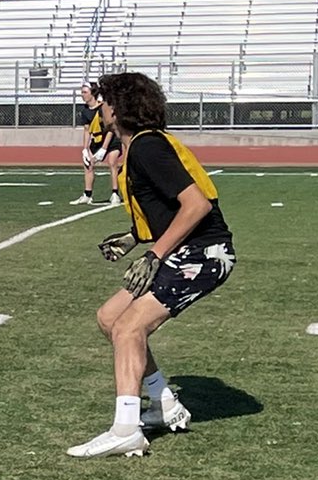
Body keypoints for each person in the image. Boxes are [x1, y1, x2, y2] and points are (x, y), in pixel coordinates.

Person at [69, 71, 230, 458]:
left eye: (105, 100)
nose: (100, 106)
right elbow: (165, 209)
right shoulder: (140, 147)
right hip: (186, 250)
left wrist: (155, 255)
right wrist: (133, 238)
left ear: (118, 107)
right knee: (111, 317)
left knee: (128, 327)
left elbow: (197, 205)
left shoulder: (146, 147)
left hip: (203, 254)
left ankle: (126, 428)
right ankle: (164, 403)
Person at [73, 81, 123, 207]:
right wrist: (85, 149)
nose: (82, 95)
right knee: (87, 164)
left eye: (85, 92)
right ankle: (87, 194)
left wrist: (104, 149)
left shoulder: (103, 108)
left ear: (93, 93)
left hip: (110, 141)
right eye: (82, 92)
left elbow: (111, 129)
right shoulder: (85, 111)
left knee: (112, 162)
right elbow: (87, 130)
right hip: (97, 141)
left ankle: (115, 193)